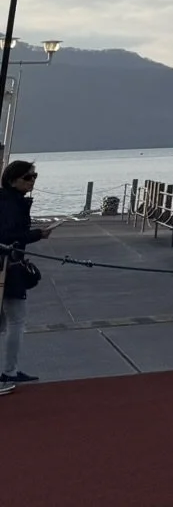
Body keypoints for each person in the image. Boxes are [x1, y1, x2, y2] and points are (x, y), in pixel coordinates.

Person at [1, 160, 57, 384]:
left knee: (6, 321)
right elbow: (7, 236)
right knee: (16, 320)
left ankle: (10, 369)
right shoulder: (9, 203)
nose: (32, 181)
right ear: (13, 180)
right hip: (7, 267)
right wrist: (37, 235)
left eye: (35, 176)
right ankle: (9, 371)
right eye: (28, 177)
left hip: (8, 265)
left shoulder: (12, 201)